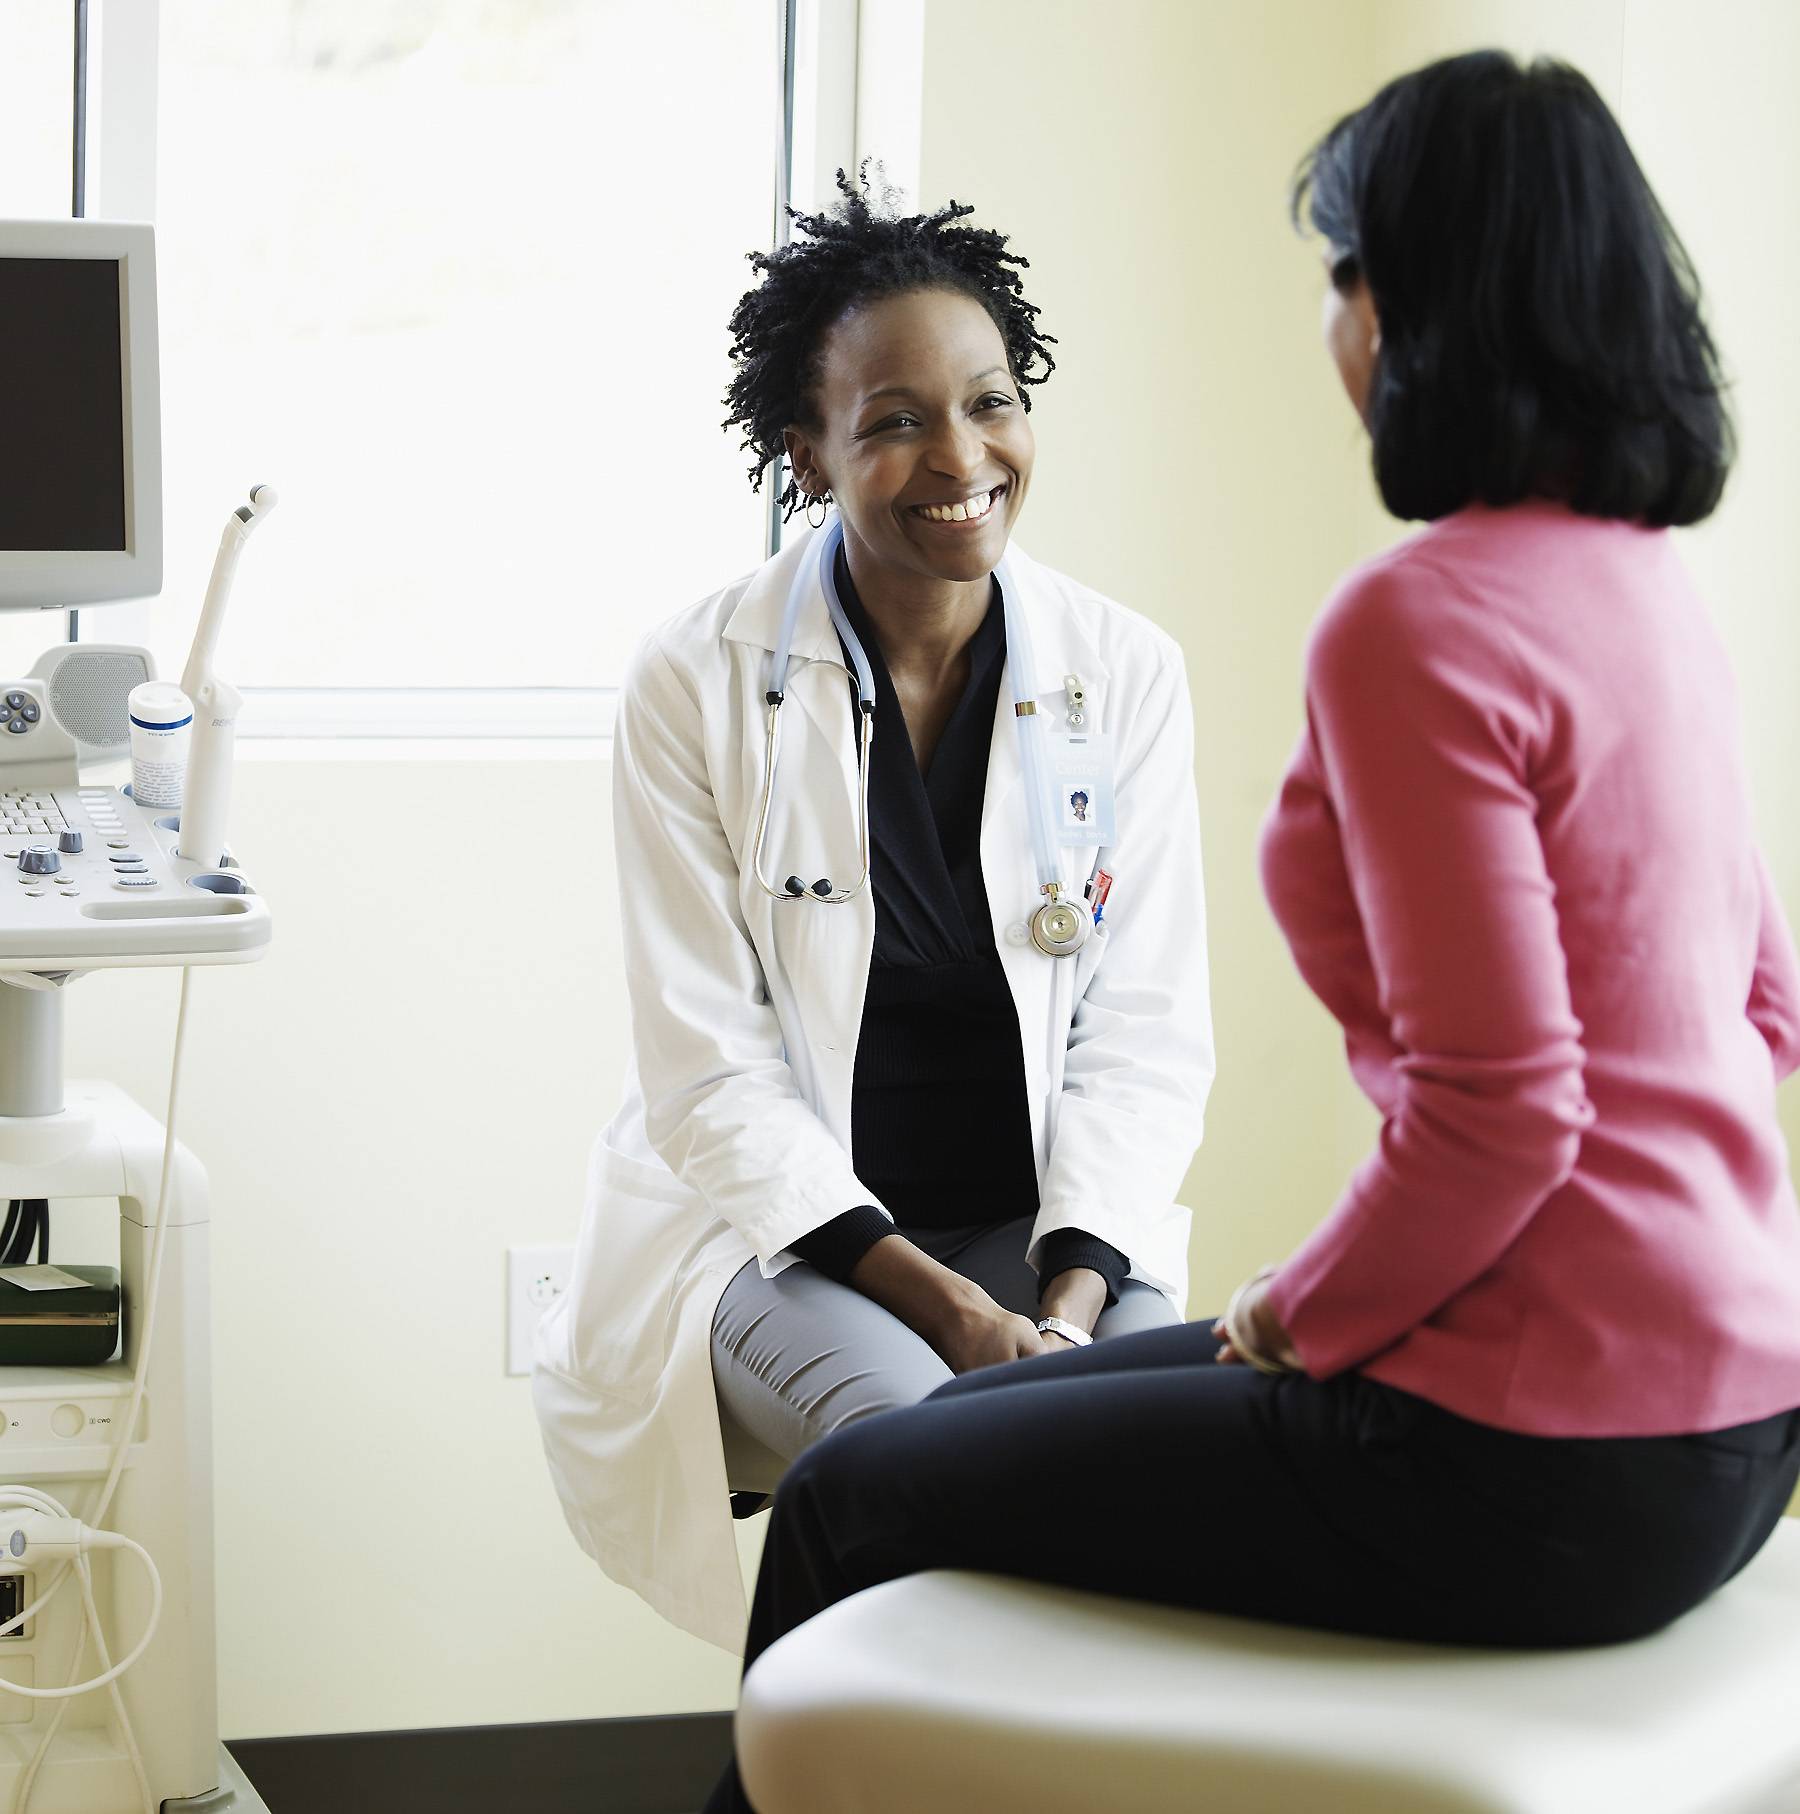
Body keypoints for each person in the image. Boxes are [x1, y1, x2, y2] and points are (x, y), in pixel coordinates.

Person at [702, 52, 1800, 1812]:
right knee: (962, 1438)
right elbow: (1760, 1006)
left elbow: (1506, 1113)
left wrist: (1307, 1310)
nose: (1331, 317)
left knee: (855, 1491)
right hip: (1743, 1431)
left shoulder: (1418, 621)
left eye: (1342, 270)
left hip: (1520, 1454)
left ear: (1419, 308)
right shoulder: (1649, 588)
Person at [532, 172, 1214, 1650]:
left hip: (1055, 1235)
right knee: (913, 1456)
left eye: (991, 401)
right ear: (807, 451)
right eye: (895, 419)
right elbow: (709, 1075)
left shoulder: (1125, 671)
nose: (960, 456)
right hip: (787, 1238)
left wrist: (1068, 1308)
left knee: (1166, 1474)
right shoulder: (695, 679)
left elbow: (1148, 1035)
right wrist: (962, 1323)